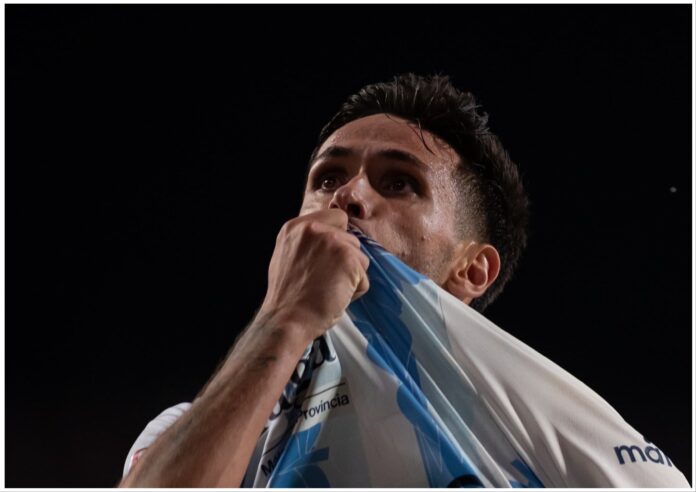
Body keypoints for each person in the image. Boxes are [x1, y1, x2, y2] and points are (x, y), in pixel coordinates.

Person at [119, 74, 689, 488]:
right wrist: (283, 316)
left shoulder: (542, 422)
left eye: (398, 183)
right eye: (328, 178)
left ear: (471, 269)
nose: (347, 197)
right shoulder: (187, 432)